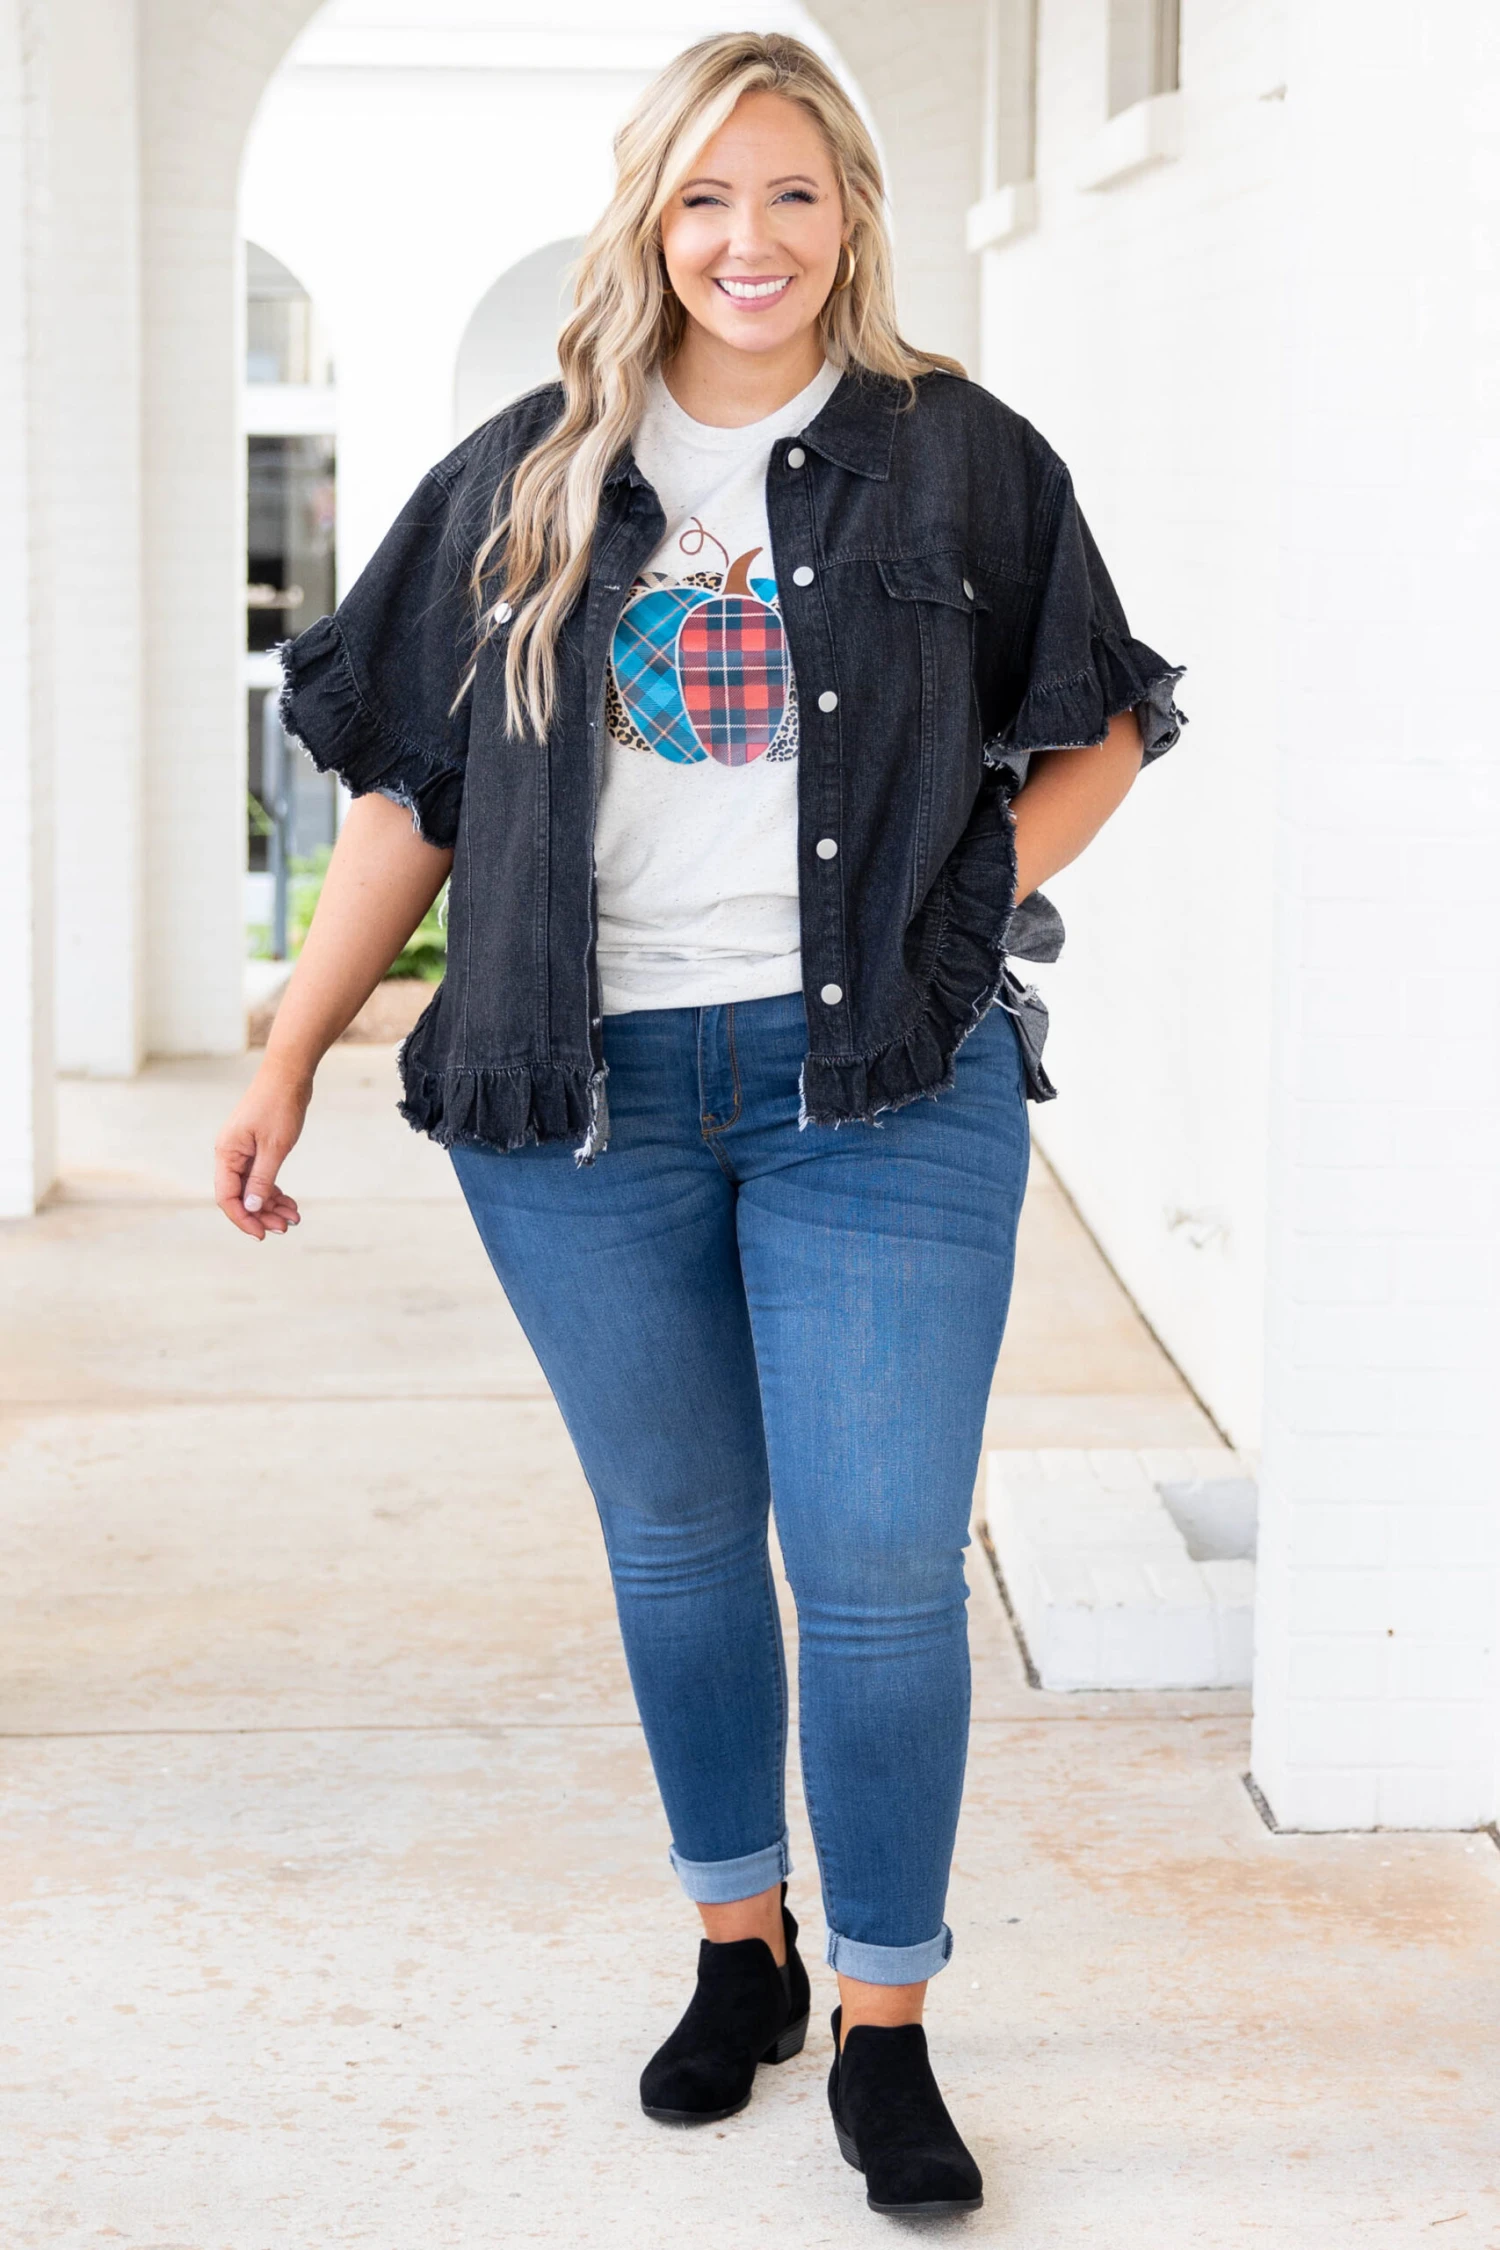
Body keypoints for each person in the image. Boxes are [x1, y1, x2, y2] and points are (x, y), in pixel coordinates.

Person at [214, 31, 1182, 2221]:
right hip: (583, 1097)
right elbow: (411, 799)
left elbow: (1105, 718)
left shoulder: (958, 459)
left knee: (878, 1566)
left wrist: (965, 910)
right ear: (649, 221)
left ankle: (890, 2018)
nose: (752, 241)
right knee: (672, 1540)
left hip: (882, 1085)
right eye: (707, 199)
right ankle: (741, 1946)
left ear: (853, 218)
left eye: (795, 195)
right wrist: (289, 1053)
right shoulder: (526, 478)